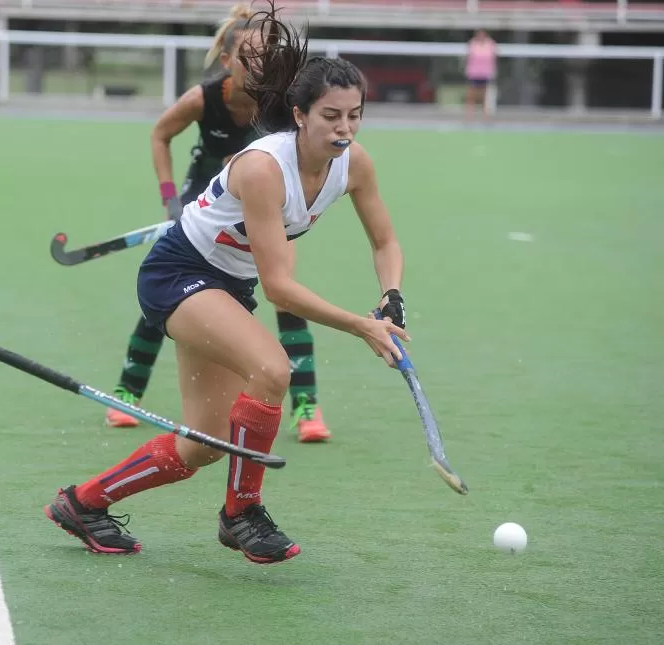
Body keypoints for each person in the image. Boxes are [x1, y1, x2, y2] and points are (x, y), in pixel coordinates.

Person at [45, 3, 409, 565]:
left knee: (203, 443)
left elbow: (384, 242)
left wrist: (391, 296)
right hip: (180, 273)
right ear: (298, 115)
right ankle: (241, 514)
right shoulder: (264, 168)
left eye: (354, 116)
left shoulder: (354, 164)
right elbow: (281, 289)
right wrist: (361, 325)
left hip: (227, 287)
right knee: (273, 370)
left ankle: (84, 502)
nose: (343, 129)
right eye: (330, 116)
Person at [106, 2, 331, 443]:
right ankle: (126, 392)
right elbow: (160, 134)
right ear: (227, 61)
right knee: (173, 300)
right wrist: (170, 198)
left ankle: (306, 406)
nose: (260, 64)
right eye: (248, 56)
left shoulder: (283, 107)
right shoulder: (203, 99)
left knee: (287, 295)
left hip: (266, 212)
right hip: (202, 209)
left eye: (267, 54)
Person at [465, 28, 497, 120]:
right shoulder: (473, 43)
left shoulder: (490, 44)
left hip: (485, 74)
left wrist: (493, 71)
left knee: (485, 97)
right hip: (474, 73)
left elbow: (493, 58)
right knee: (471, 96)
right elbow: (469, 57)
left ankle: (485, 117)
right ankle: (469, 116)